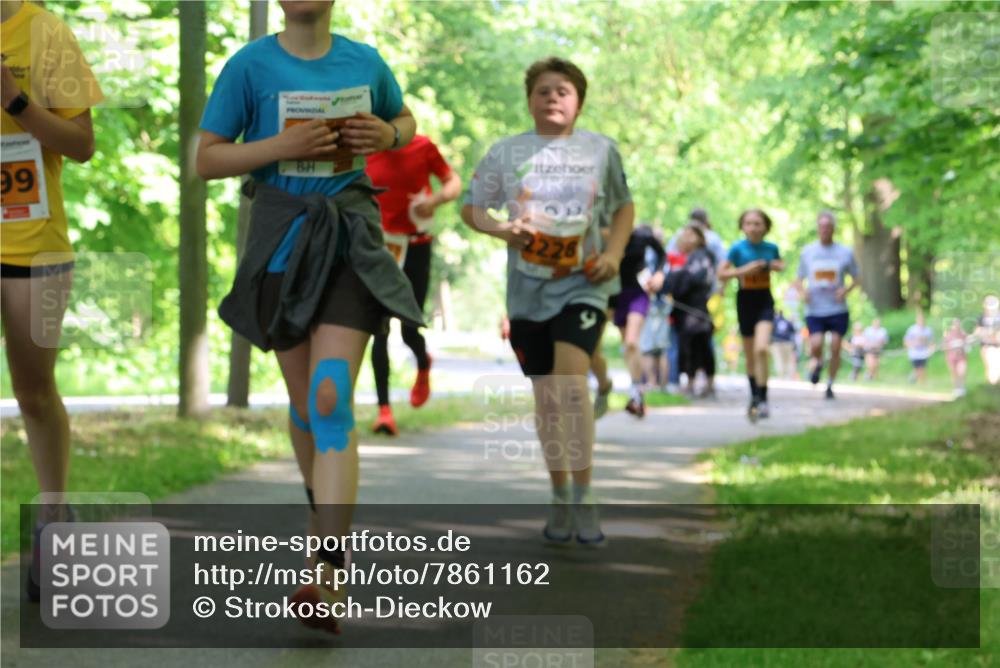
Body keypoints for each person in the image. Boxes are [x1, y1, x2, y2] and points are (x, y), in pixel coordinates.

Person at [196, 0, 420, 634]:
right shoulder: (249, 66)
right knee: (304, 407)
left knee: (329, 399)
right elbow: (206, 159)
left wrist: (389, 135)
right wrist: (280, 146)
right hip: (280, 248)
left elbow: (403, 117)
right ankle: (326, 517)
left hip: (350, 240)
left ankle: (326, 570)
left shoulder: (365, 61)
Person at [462, 57, 634, 547]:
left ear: (579, 101)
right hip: (527, 291)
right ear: (530, 100)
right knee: (547, 398)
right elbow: (471, 208)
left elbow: (623, 207)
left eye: (563, 90)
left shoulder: (601, 151)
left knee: (569, 386)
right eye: (543, 90)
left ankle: (584, 494)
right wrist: (502, 228)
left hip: (583, 284)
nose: (553, 97)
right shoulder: (506, 152)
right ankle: (559, 493)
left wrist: (615, 253)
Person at [2, 0, 103, 601]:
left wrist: (14, 100)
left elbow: (83, 143)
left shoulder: (46, 32)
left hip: (32, 243)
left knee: (32, 390)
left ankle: (52, 519)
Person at [365, 134, 461, 435]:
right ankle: (384, 411)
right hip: (379, 246)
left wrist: (433, 201)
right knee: (377, 327)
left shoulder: (422, 146)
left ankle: (423, 361)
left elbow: (453, 182)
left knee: (409, 326)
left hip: (416, 244)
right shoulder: (364, 145)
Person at [718, 209, 784, 421]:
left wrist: (765, 264)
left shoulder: (771, 248)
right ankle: (754, 396)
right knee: (749, 353)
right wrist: (744, 271)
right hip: (745, 301)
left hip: (764, 301)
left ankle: (763, 397)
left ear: (765, 226)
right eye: (749, 223)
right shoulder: (737, 249)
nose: (753, 227)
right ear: (742, 226)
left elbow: (780, 265)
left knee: (761, 348)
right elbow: (722, 273)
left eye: (757, 223)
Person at [794, 210, 859, 400]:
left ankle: (830, 383)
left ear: (833, 229)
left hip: (837, 308)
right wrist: (802, 292)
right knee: (816, 344)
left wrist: (845, 291)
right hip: (815, 308)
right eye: (821, 226)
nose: (824, 230)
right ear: (817, 228)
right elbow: (798, 279)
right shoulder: (808, 252)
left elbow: (856, 278)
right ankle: (818, 362)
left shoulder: (845, 252)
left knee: (837, 346)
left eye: (828, 227)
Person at [613, 223, 665, 417]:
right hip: (614, 294)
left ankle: (636, 392)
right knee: (628, 346)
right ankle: (637, 391)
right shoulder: (605, 234)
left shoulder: (641, 235)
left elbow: (661, 253)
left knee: (632, 342)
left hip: (638, 293)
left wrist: (659, 274)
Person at [665, 224, 716, 397]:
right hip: (684, 310)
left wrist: (674, 279)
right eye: (684, 234)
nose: (687, 238)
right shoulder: (685, 258)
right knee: (687, 346)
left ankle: (707, 384)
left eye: (691, 234)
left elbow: (694, 280)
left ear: (700, 237)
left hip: (697, 309)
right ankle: (691, 382)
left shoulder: (703, 256)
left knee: (701, 346)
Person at [903, 309, 935, 384]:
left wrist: (930, 349)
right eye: (920, 319)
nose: (921, 321)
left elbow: (931, 342)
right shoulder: (912, 329)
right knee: (916, 368)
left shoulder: (928, 330)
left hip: (924, 352)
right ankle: (914, 378)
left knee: (923, 368)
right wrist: (909, 348)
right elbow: (906, 340)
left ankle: (921, 382)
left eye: (923, 319)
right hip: (914, 352)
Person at [975, 294, 1000, 385]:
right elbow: (977, 332)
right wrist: (988, 332)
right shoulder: (981, 318)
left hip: (998, 346)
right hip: (987, 347)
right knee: (991, 368)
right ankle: (993, 387)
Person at [942, 318, 969, 396]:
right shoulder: (947, 334)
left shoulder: (963, 334)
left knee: (962, 371)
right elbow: (944, 346)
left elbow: (967, 346)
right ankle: (956, 388)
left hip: (961, 357)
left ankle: (962, 388)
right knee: (954, 373)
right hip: (951, 357)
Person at [771, 310, 798, 380]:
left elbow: (771, 332)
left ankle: (781, 376)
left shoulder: (774, 322)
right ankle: (787, 376)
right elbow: (793, 333)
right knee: (787, 360)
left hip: (777, 342)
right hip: (788, 343)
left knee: (778, 359)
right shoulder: (788, 322)